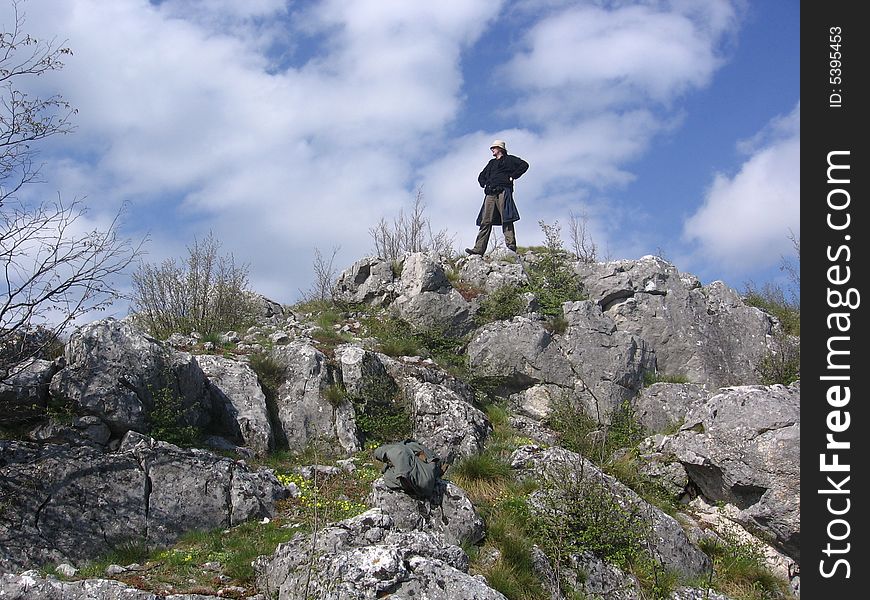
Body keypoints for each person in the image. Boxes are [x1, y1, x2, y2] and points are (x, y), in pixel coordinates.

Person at [466, 139, 529, 255]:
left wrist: (512, 176)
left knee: (507, 217)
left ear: (500, 149)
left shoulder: (510, 160)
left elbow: (524, 165)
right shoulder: (491, 163)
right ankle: (478, 249)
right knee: (485, 220)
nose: (492, 150)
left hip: (503, 191)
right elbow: (481, 176)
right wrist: (484, 183)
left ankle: (511, 245)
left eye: (494, 148)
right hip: (490, 193)